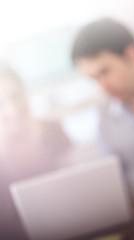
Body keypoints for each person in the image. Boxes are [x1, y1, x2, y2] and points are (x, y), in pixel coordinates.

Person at [71, 18, 134, 194]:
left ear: (132, 54)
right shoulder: (106, 117)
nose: (103, 87)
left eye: (105, 72)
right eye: (94, 79)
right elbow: (115, 184)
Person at [0, 62, 71, 239]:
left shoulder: (53, 131)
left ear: (24, 91)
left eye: (15, 96)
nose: (12, 108)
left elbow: (76, 186)